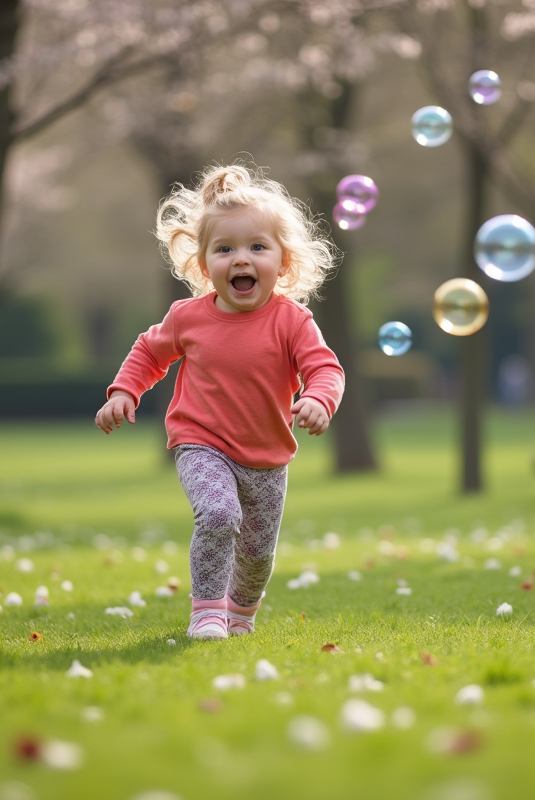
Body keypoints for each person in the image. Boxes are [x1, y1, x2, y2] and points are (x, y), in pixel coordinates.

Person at [95, 163, 345, 640]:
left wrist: (319, 398)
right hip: (202, 443)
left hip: (267, 458)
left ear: (283, 262)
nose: (241, 259)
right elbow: (150, 350)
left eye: (257, 247)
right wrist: (125, 390)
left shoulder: (293, 321)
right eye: (225, 249)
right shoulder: (188, 317)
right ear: (205, 264)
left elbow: (325, 369)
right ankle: (207, 611)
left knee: (257, 555)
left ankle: (240, 614)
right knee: (218, 514)